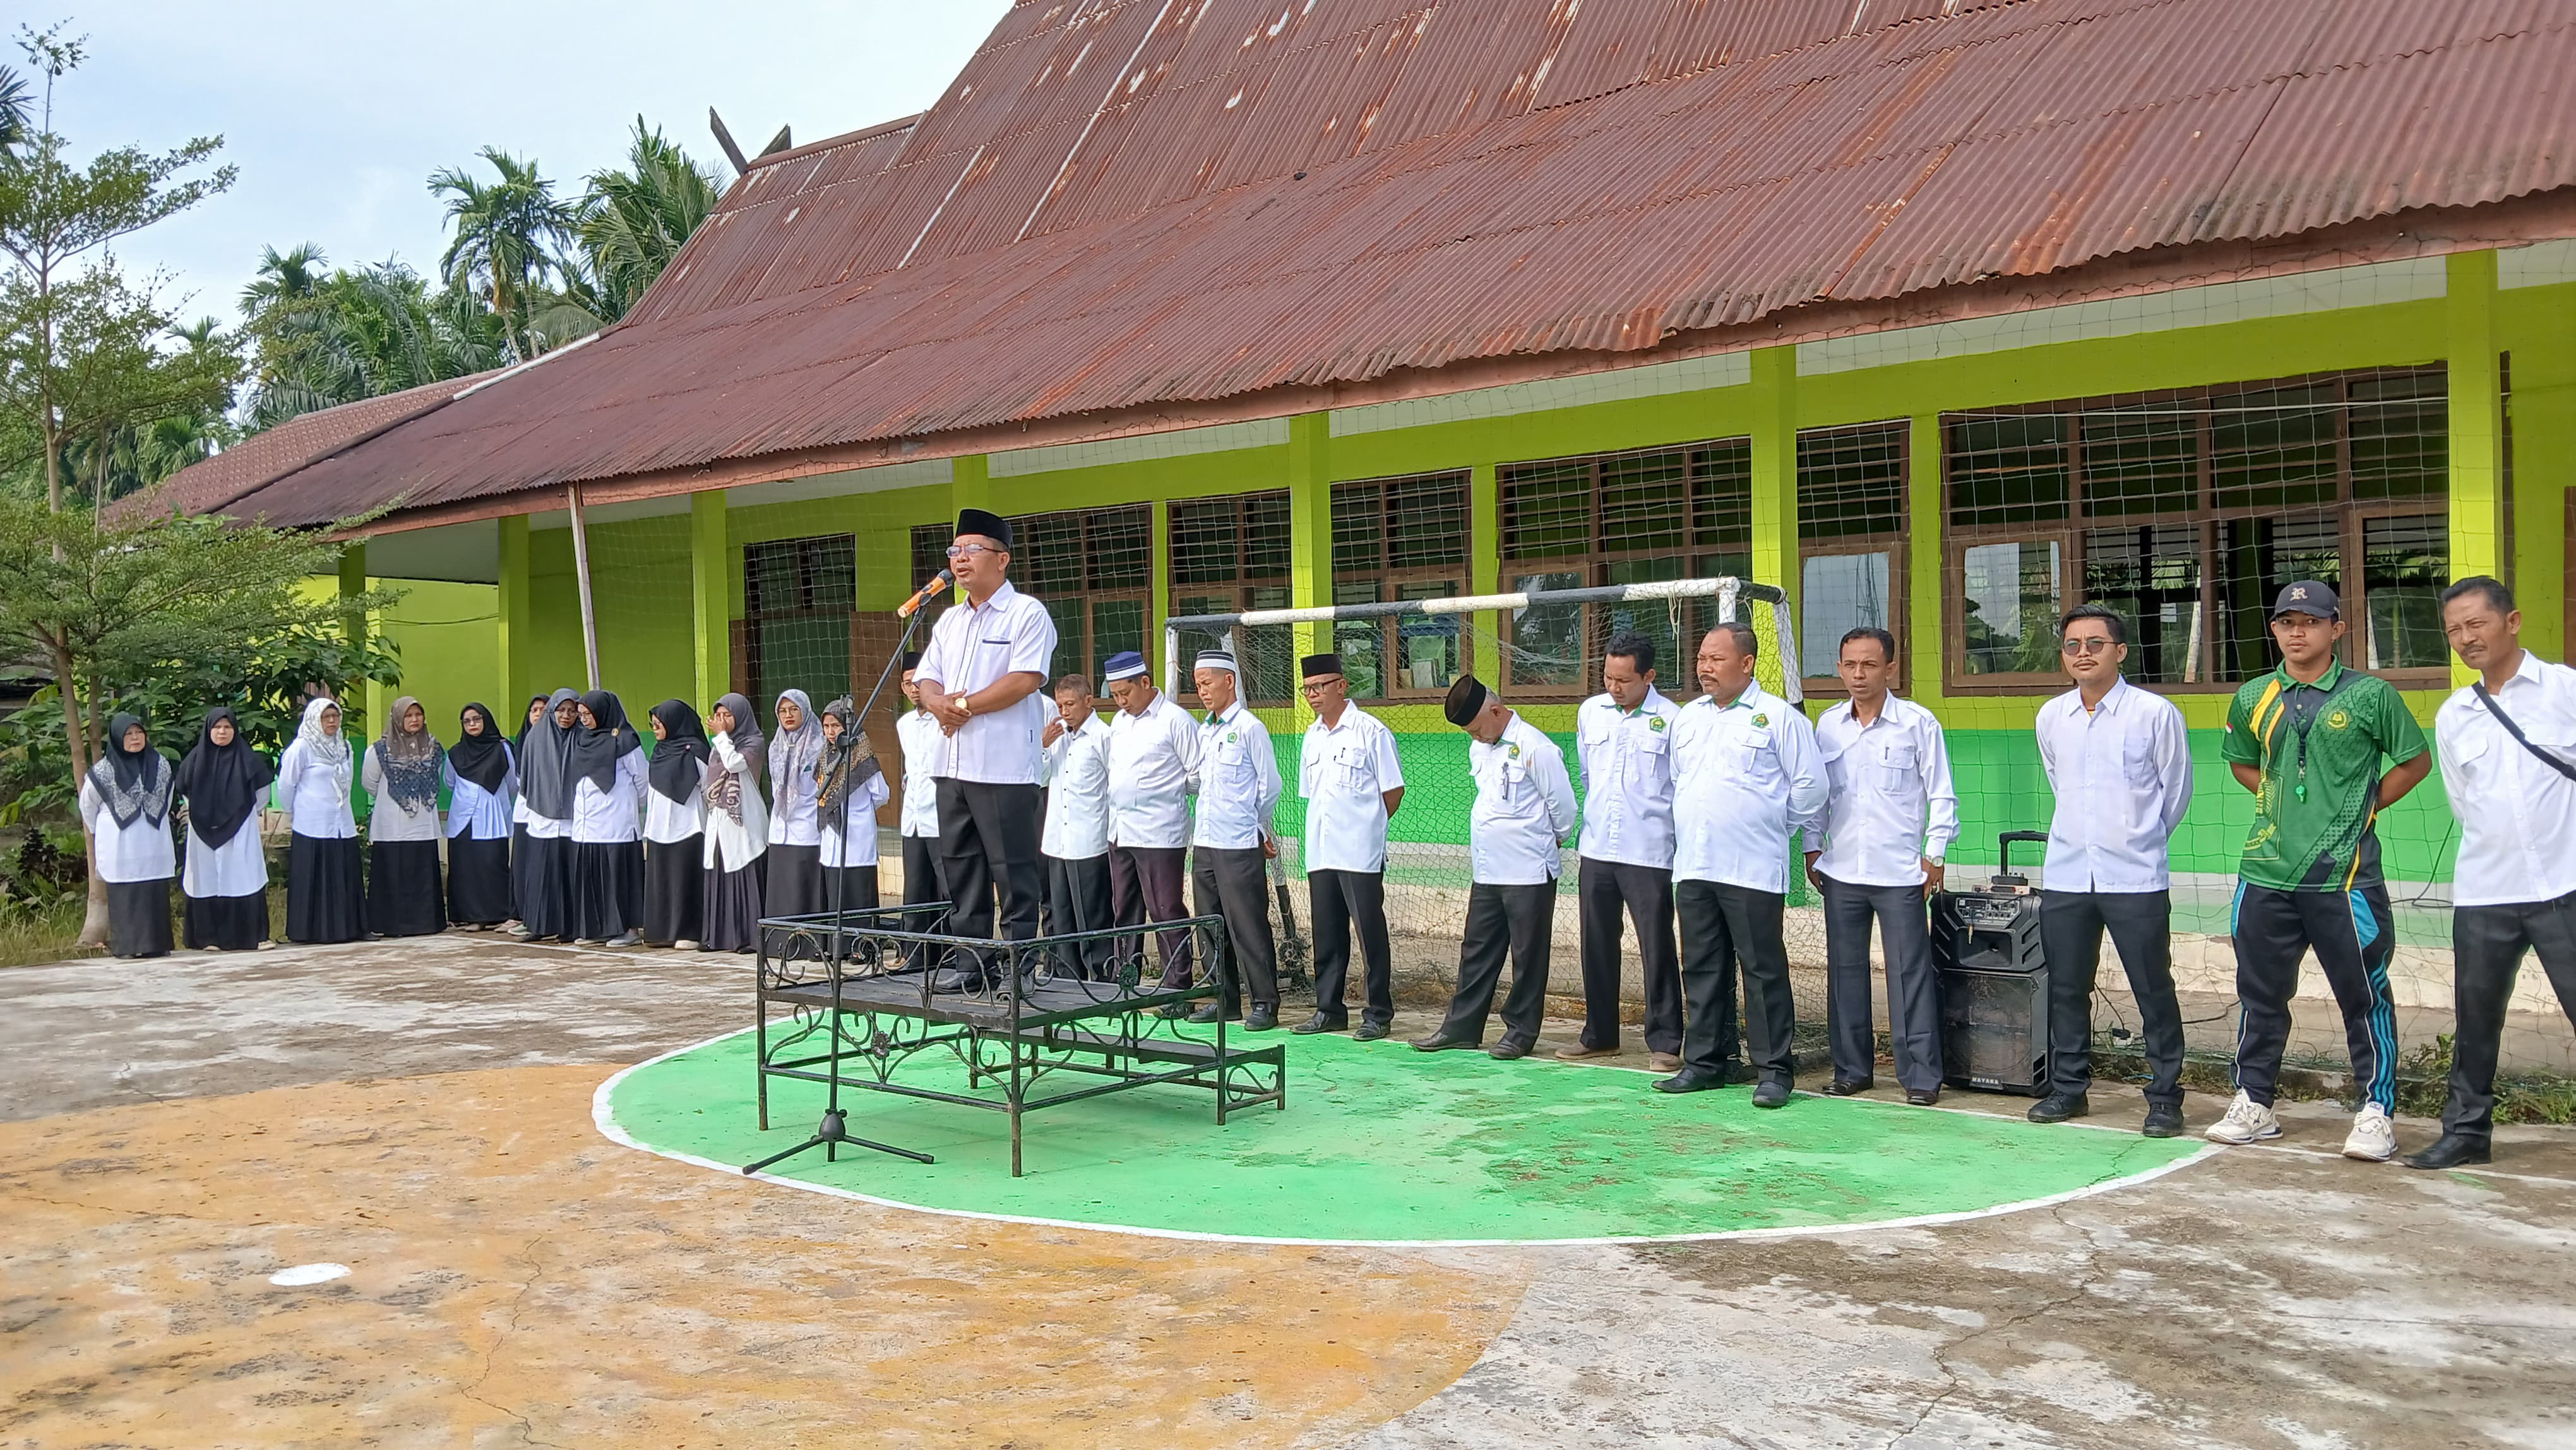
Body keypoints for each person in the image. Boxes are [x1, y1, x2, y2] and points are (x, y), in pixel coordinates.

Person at [2209, 581, 2432, 1161]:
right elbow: (2242, 765)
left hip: (2346, 878)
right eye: (2287, 622)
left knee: (2364, 996)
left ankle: (2376, 1111)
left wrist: (2360, 807)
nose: (2297, 631)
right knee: (2260, 994)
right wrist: (2287, 811)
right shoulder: (2254, 695)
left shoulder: (2371, 695)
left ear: (2337, 629)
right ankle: (2255, 1101)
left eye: (2311, 621)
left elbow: (2415, 761)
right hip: (2265, 873)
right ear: (2276, 630)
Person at [2413, 577, 2576, 1170]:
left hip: (2566, 884)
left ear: (2512, 621)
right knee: (2475, 1018)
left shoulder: (2566, 690)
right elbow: (2465, 802)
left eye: (2475, 624)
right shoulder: (2457, 714)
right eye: (2454, 629)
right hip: (2486, 890)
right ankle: (2466, 1134)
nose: (2464, 638)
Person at [2030, 605, 2194, 1137]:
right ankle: (2069, 1090)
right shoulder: (2052, 717)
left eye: (2095, 644)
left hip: (2136, 878)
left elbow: (2176, 791)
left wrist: (2136, 840)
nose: (2083, 653)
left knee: (2153, 988)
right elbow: (2061, 785)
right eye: (2073, 644)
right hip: (2068, 876)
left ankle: (2165, 1098)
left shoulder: (2154, 713)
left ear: (2120, 652)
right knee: (2066, 988)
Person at [1662, 623, 1825, 1106]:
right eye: (1702, 658)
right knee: (1702, 968)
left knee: (1762, 971)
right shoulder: (1687, 718)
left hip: (1752, 868)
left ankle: (1775, 1071)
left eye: (1716, 658)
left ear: (1747, 663)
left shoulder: (1778, 718)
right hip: (1694, 865)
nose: (1704, 667)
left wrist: (1772, 825)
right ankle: (1706, 1063)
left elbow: (1811, 788)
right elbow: (1679, 781)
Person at [1808, 627, 1957, 1106]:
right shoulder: (1828, 725)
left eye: (1869, 665)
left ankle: (1920, 1076)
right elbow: (1818, 796)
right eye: (1850, 664)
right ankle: (1852, 1069)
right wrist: (1813, 848)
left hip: (1901, 875)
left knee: (1909, 974)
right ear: (1839, 667)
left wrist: (1934, 857)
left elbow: (1942, 795)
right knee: (1845, 973)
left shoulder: (1917, 724)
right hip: (1843, 871)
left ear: (1891, 668)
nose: (1858, 674)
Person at [912, 508, 1058, 987]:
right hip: (950, 766)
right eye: (954, 551)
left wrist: (965, 706)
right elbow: (928, 676)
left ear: (1002, 560)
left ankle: (1018, 966)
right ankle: (971, 965)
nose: (960, 560)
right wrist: (937, 705)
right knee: (961, 869)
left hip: (1002, 769)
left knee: (1012, 871)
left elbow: (1025, 679)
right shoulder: (951, 620)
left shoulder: (1026, 614)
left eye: (972, 550)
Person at [1414, 674, 1577, 1057]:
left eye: (1476, 729)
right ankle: (1462, 1028)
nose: (1474, 737)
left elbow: (1564, 808)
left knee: (1527, 956)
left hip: (1528, 871)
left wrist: (1552, 839)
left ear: (1497, 711)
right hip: (1487, 871)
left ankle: (1520, 1033)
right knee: (1477, 950)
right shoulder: (1480, 749)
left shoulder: (1536, 747)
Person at [1559, 632, 1685, 1073]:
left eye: (1624, 680)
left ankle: (1666, 1041)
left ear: (1648, 676)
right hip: (1597, 847)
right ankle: (1600, 1035)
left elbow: (1681, 789)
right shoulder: (1590, 712)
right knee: (1596, 943)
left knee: (1656, 945)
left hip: (1649, 851)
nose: (1614, 687)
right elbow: (1588, 776)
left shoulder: (1674, 721)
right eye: (1608, 677)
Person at [1294, 651, 1404, 1040]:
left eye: (1319, 687)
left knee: (1369, 932)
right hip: (1321, 849)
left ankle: (1378, 1013)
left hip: (1359, 850)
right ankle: (1329, 1009)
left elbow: (1393, 791)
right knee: (1328, 932)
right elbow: (1312, 795)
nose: (1312, 694)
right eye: (1307, 688)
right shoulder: (1311, 736)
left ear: (1341, 686)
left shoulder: (1370, 732)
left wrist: (1367, 827)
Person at [1186, 649, 1284, 1028]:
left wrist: (1256, 826)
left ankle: (1264, 1002)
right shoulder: (1204, 730)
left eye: (1207, 683)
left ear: (1229, 681)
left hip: (1239, 843)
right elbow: (1197, 781)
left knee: (1247, 925)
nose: (1203, 692)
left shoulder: (1249, 728)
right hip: (1206, 842)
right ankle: (1224, 999)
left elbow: (1270, 786)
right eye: (1198, 685)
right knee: (1210, 924)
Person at [1103, 650, 1200, 990]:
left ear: (1145, 683)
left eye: (1125, 694)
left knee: (1165, 909)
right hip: (1121, 830)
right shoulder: (1119, 722)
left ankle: (1178, 985)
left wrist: (1164, 790)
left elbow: (1198, 774)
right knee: (1124, 910)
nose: (1120, 702)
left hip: (1159, 833)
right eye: (1114, 695)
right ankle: (1124, 980)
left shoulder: (1176, 720)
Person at [173, 705, 274, 951]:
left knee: (244, 875)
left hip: (241, 828)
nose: (222, 732)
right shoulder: (196, 759)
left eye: (228, 727)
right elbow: (185, 789)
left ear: (235, 730)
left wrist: (241, 814)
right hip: (203, 830)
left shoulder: (248, 758)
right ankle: (209, 938)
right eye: (217, 727)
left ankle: (253, 937)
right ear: (209, 730)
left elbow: (262, 793)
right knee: (208, 878)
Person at [80, 712, 178, 959]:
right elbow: (88, 807)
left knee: (154, 892)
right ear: (116, 738)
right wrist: (102, 830)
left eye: (139, 733)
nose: (135, 738)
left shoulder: (161, 764)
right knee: (126, 895)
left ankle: (157, 944)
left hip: (153, 841)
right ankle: (127, 947)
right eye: (128, 734)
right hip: (120, 845)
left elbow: (167, 801)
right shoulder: (102, 772)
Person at [1039, 673, 1114, 979]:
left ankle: (1099, 976)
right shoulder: (1058, 738)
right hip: (1057, 840)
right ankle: (1067, 975)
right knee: (1061, 913)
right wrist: (1042, 747)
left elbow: (1115, 786)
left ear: (1088, 701)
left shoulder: (1104, 737)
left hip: (1089, 840)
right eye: (1060, 705)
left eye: (1070, 704)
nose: (1064, 711)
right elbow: (1040, 779)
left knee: (1092, 916)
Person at [278, 697, 366, 944]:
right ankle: (311, 932)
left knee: (344, 874)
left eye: (335, 716)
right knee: (315, 878)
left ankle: (349, 929)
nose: (331, 722)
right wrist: (293, 811)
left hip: (342, 823)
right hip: (312, 823)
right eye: (326, 717)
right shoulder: (302, 748)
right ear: (314, 719)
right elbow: (286, 784)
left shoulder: (345, 747)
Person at [566, 690, 648, 946]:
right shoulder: (582, 739)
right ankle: (597, 928)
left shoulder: (624, 740)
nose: (584, 720)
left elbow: (642, 779)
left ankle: (629, 930)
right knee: (592, 876)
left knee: (620, 877)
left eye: (588, 715)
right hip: (587, 823)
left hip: (617, 821)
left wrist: (634, 808)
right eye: (581, 715)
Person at [361, 695, 448, 938]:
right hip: (392, 821)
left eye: (418, 715)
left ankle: (425, 923)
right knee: (394, 870)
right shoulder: (379, 750)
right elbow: (370, 783)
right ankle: (391, 925)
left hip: (424, 820)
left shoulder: (434, 747)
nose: (414, 719)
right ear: (397, 718)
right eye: (408, 715)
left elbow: (437, 777)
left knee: (421, 870)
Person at [700, 692, 771, 954]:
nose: (722, 721)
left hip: (745, 818)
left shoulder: (754, 741)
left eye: (727, 715)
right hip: (719, 817)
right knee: (720, 870)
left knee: (743, 868)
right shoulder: (720, 745)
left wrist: (721, 737)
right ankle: (718, 937)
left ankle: (747, 937)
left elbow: (735, 764)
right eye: (718, 716)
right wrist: (721, 740)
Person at [642, 700, 712, 949]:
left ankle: (689, 931)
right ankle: (662, 931)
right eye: (653, 725)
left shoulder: (696, 751)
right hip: (660, 826)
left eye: (659, 724)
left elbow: (709, 786)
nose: (655, 729)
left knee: (685, 878)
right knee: (662, 880)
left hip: (689, 825)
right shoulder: (659, 752)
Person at [513, 689, 581, 940]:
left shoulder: (582, 738)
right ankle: (539, 926)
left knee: (569, 875)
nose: (566, 716)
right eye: (561, 710)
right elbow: (527, 777)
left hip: (573, 819)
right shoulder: (535, 738)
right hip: (542, 817)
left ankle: (569, 928)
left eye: (572, 710)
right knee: (543, 875)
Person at [816, 695, 893, 912]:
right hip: (832, 837)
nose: (831, 732)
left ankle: (862, 945)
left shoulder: (863, 756)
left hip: (857, 836)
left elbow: (881, 794)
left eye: (836, 725)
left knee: (858, 895)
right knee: (835, 895)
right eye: (826, 726)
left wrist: (861, 812)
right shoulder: (825, 756)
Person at [444, 703, 516, 930]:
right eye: (467, 721)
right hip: (463, 817)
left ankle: (496, 914)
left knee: (491, 863)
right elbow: (450, 782)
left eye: (477, 719)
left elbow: (513, 782)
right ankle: (470, 916)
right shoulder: (455, 752)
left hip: (492, 814)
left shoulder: (502, 748)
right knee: (465, 866)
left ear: (486, 720)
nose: (473, 724)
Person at [894, 654, 946, 937]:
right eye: (908, 684)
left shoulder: (944, 720)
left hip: (941, 817)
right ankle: (913, 952)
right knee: (913, 888)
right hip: (912, 818)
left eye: (918, 682)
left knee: (948, 887)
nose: (914, 689)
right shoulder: (904, 724)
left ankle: (951, 952)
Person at [766, 688, 826, 918]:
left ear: (805, 710)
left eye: (794, 709)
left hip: (808, 824)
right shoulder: (776, 746)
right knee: (782, 890)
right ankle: (780, 942)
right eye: (783, 711)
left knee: (805, 888)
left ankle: (809, 942)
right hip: (781, 826)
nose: (788, 715)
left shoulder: (819, 745)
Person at [506, 694, 547, 930]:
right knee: (522, 867)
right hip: (523, 813)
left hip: (547, 814)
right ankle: (524, 915)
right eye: (534, 710)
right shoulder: (521, 743)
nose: (538, 714)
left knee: (540, 867)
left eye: (544, 709)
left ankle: (539, 916)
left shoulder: (558, 742)